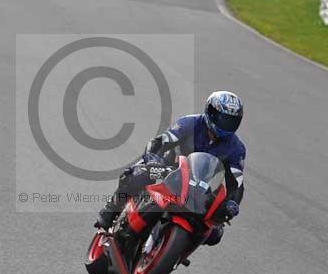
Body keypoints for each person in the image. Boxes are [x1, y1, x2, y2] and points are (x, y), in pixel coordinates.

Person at [95, 91, 246, 246]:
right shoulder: (190, 123)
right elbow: (160, 142)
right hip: (169, 169)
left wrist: (231, 203)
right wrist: (154, 159)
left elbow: (237, 183)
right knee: (136, 176)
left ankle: (176, 250)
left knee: (215, 233)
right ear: (211, 112)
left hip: (199, 188)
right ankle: (109, 211)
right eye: (222, 118)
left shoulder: (236, 148)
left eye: (231, 121)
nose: (225, 124)